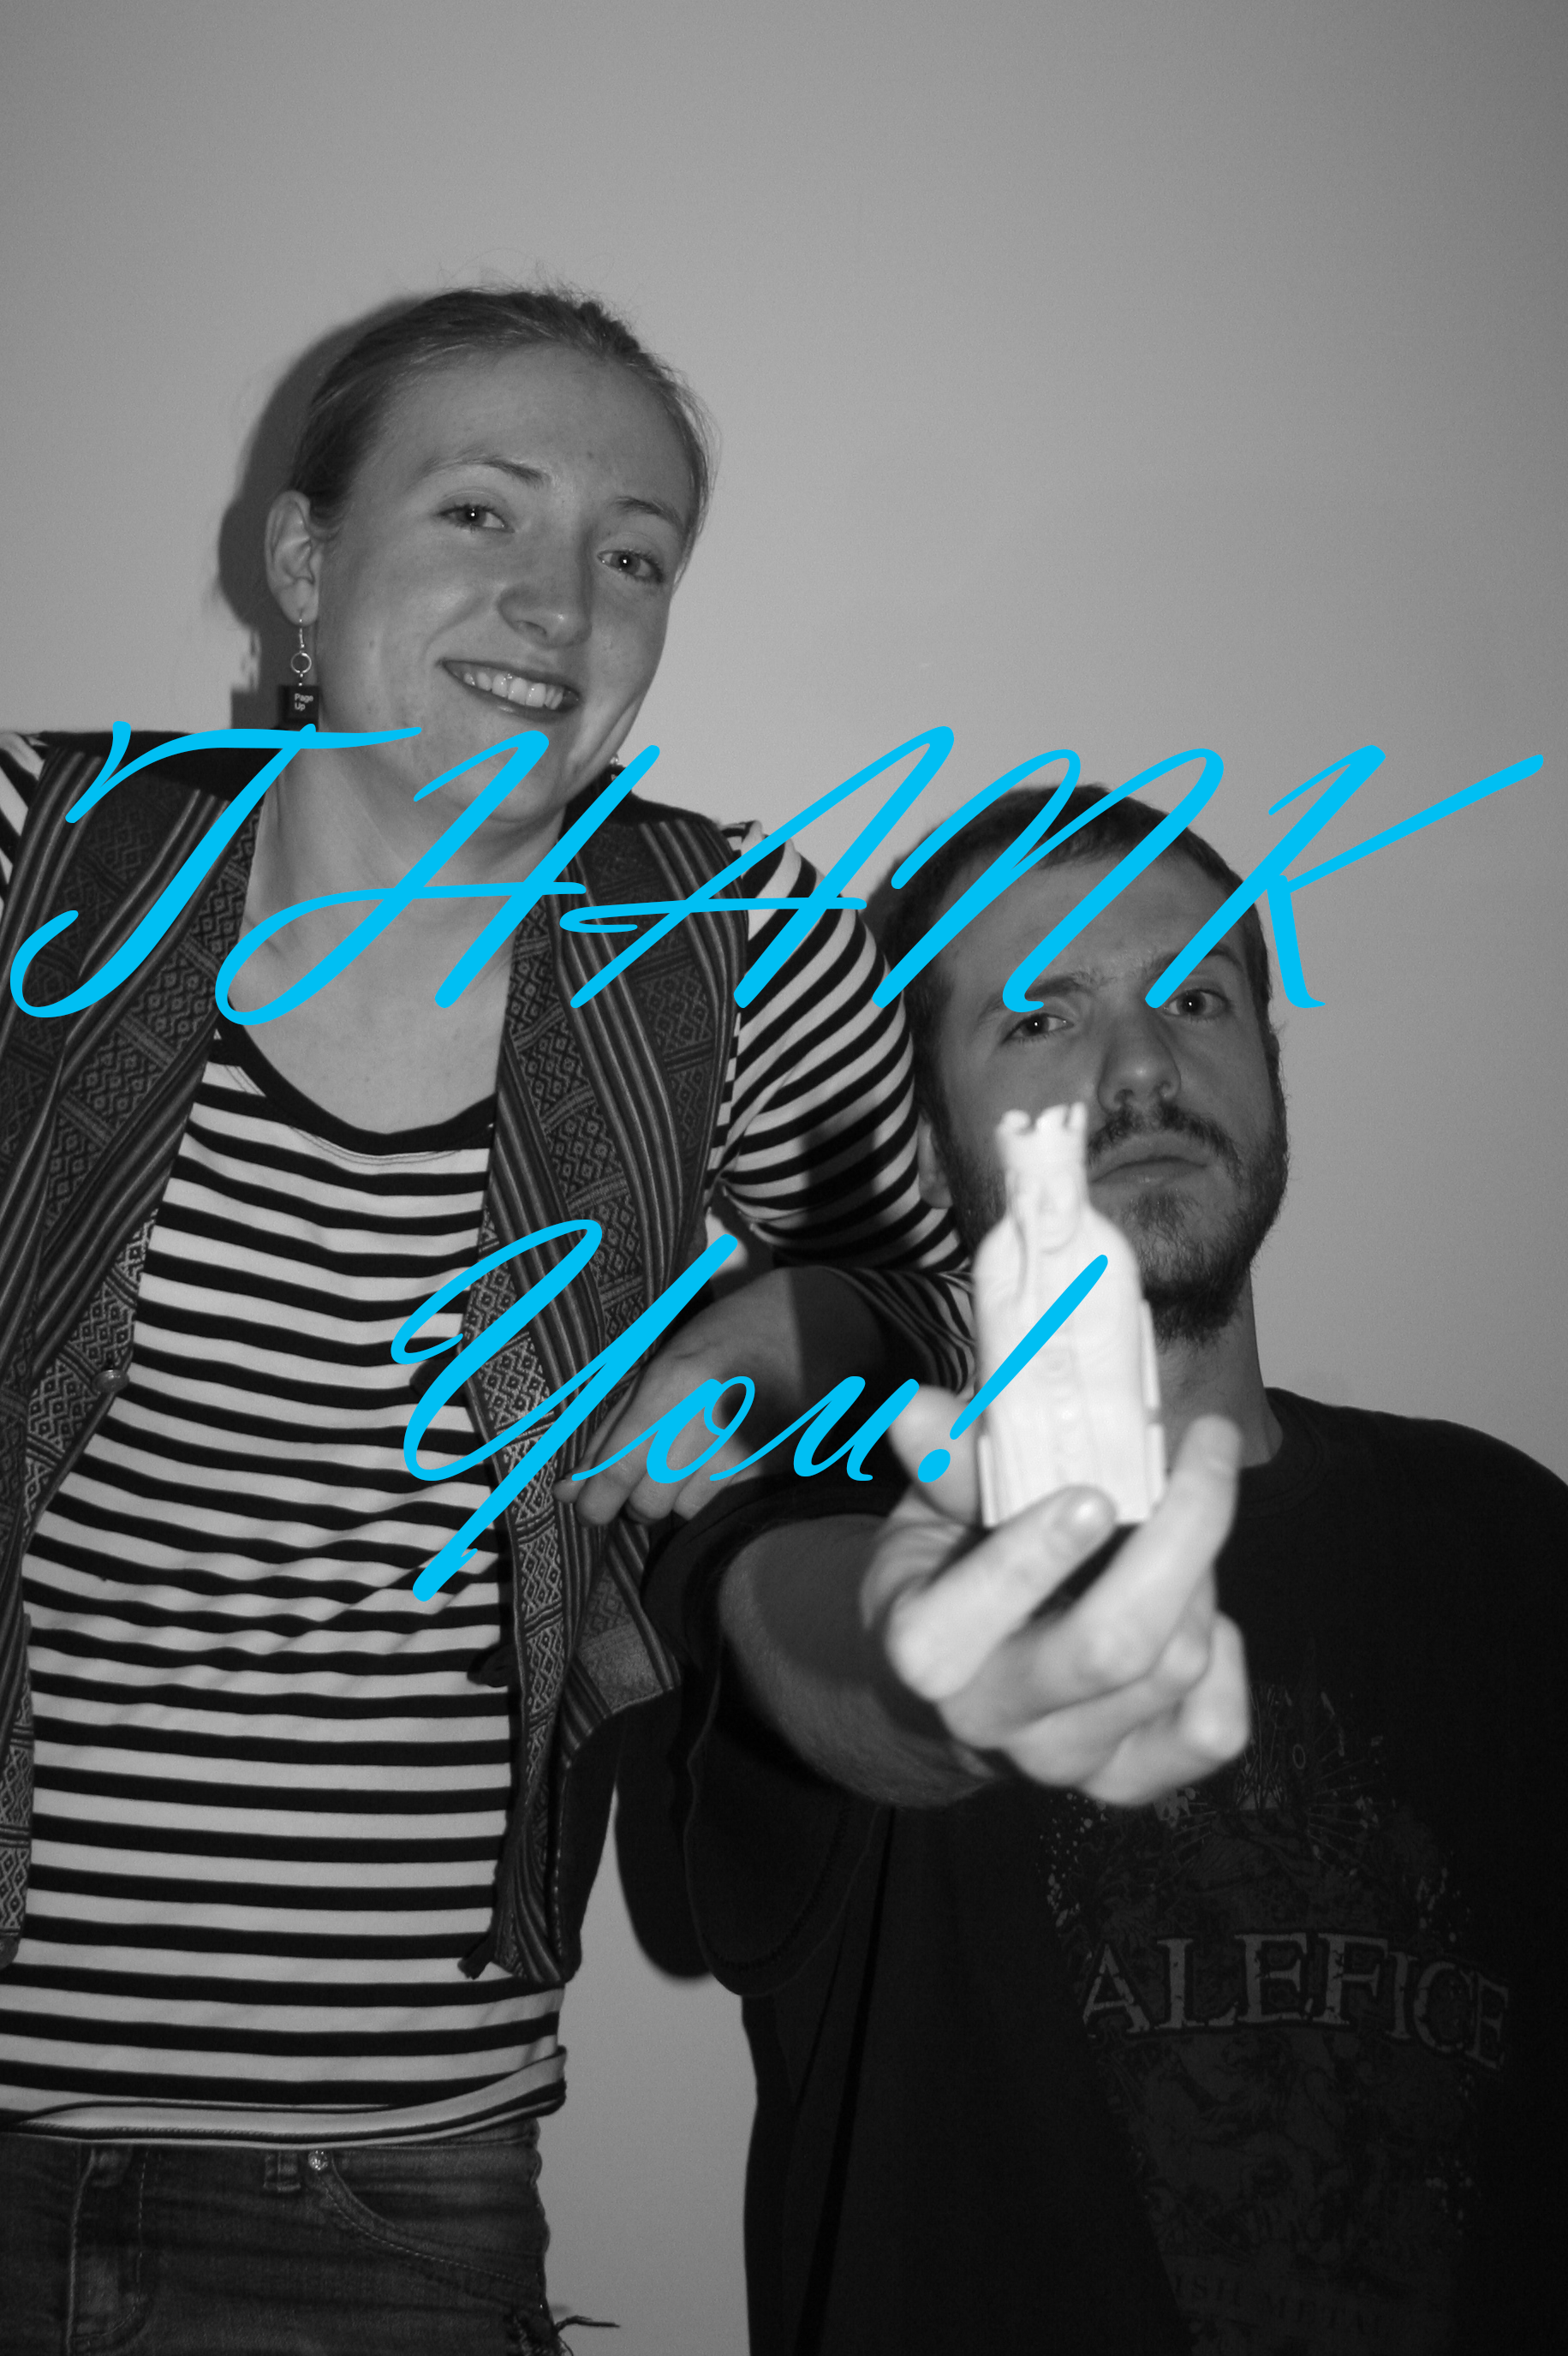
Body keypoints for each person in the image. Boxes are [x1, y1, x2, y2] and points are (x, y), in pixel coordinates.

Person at [0, 283, 984, 2353]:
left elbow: (949, 1304)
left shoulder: (736, 946)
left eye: (634, 555)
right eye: (481, 512)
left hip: (381, 2178)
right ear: (303, 560)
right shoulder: (39, 856)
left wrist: (753, 1337)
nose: (559, 603)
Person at [645, 783, 1568, 2354]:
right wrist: (939, 1684)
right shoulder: (816, 1521)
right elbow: (816, 1640)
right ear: (922, 1145)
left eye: (1195, 999)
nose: (1140, 1064)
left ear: (1270, 1072)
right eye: (1039, 1017)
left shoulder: (1509, 1536)